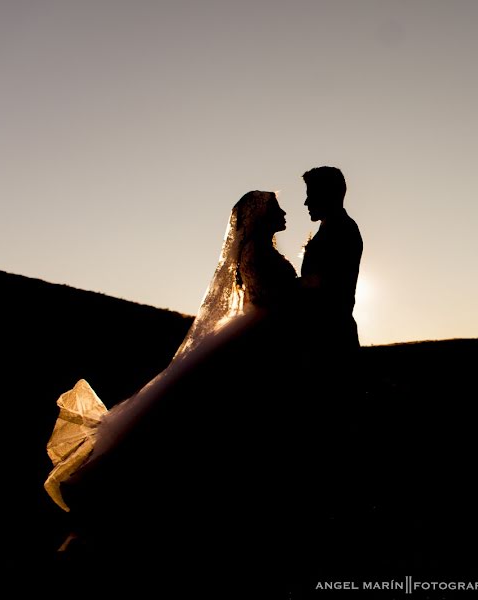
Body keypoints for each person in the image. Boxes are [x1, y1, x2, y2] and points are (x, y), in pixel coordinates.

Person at [43, 191, 300, 574]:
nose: (283, 213)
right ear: (259, 216)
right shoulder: (257, 253)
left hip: (256, 331)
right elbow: (275, 299)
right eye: (275, 208)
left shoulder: (254, 249)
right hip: (259, 335)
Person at [300, 166, 363, 389]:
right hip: (327, 335)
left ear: (329, 194)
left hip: (330, 340)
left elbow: (322, 289)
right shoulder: (332, 228)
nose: (306, 203)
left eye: (310, 195)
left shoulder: (342, 230)